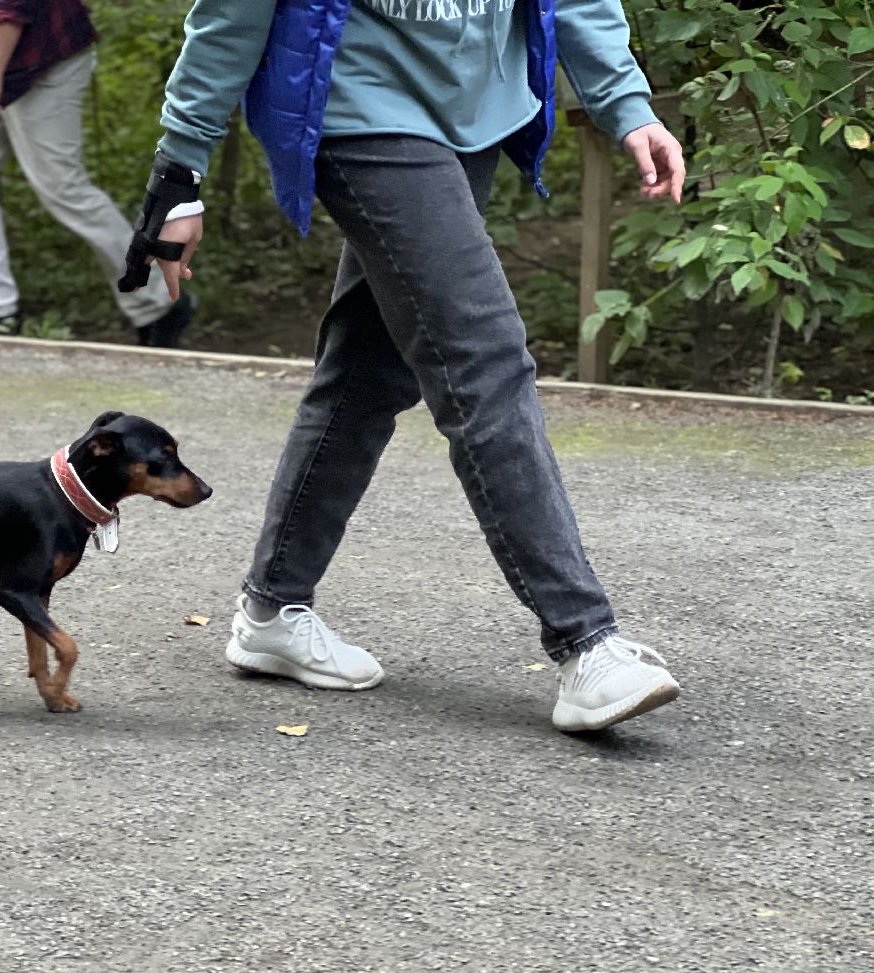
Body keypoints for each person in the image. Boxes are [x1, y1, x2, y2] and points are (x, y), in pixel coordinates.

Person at [120, 0, 685, 732]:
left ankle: (272, 608)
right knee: (483, 361)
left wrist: (626, 102)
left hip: (479, 108)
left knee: (370, 372)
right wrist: (181, 162)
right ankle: (586, 641)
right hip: (362, 106)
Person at [0, 0, 195, 347]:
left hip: (39, 62)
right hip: (6, 61)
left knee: (63, 188)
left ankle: (159, 303)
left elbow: (9, 5)